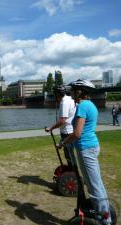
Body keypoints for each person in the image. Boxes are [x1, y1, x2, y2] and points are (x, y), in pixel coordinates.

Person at [58, 79, 111, 225]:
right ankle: (104, 213)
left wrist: (63, 142)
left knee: (93, 187)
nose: (71, 92)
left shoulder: (82, 106)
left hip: (85, 148)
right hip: (90, 146)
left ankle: (105, 219)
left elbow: (77, 133)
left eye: (74, 89)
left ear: (80, 91)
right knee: (96, 183)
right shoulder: (91, 105)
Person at [45, 85, 76, 167]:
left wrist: (50, 128)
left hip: (67, 132)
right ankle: (72, 171)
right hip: (70, 130)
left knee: (68, 154)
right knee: (70, 154)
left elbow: (62, 120)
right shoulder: (70, 99)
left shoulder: (64, 102)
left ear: (57, 94)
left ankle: (73, 174)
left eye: (55, 94)